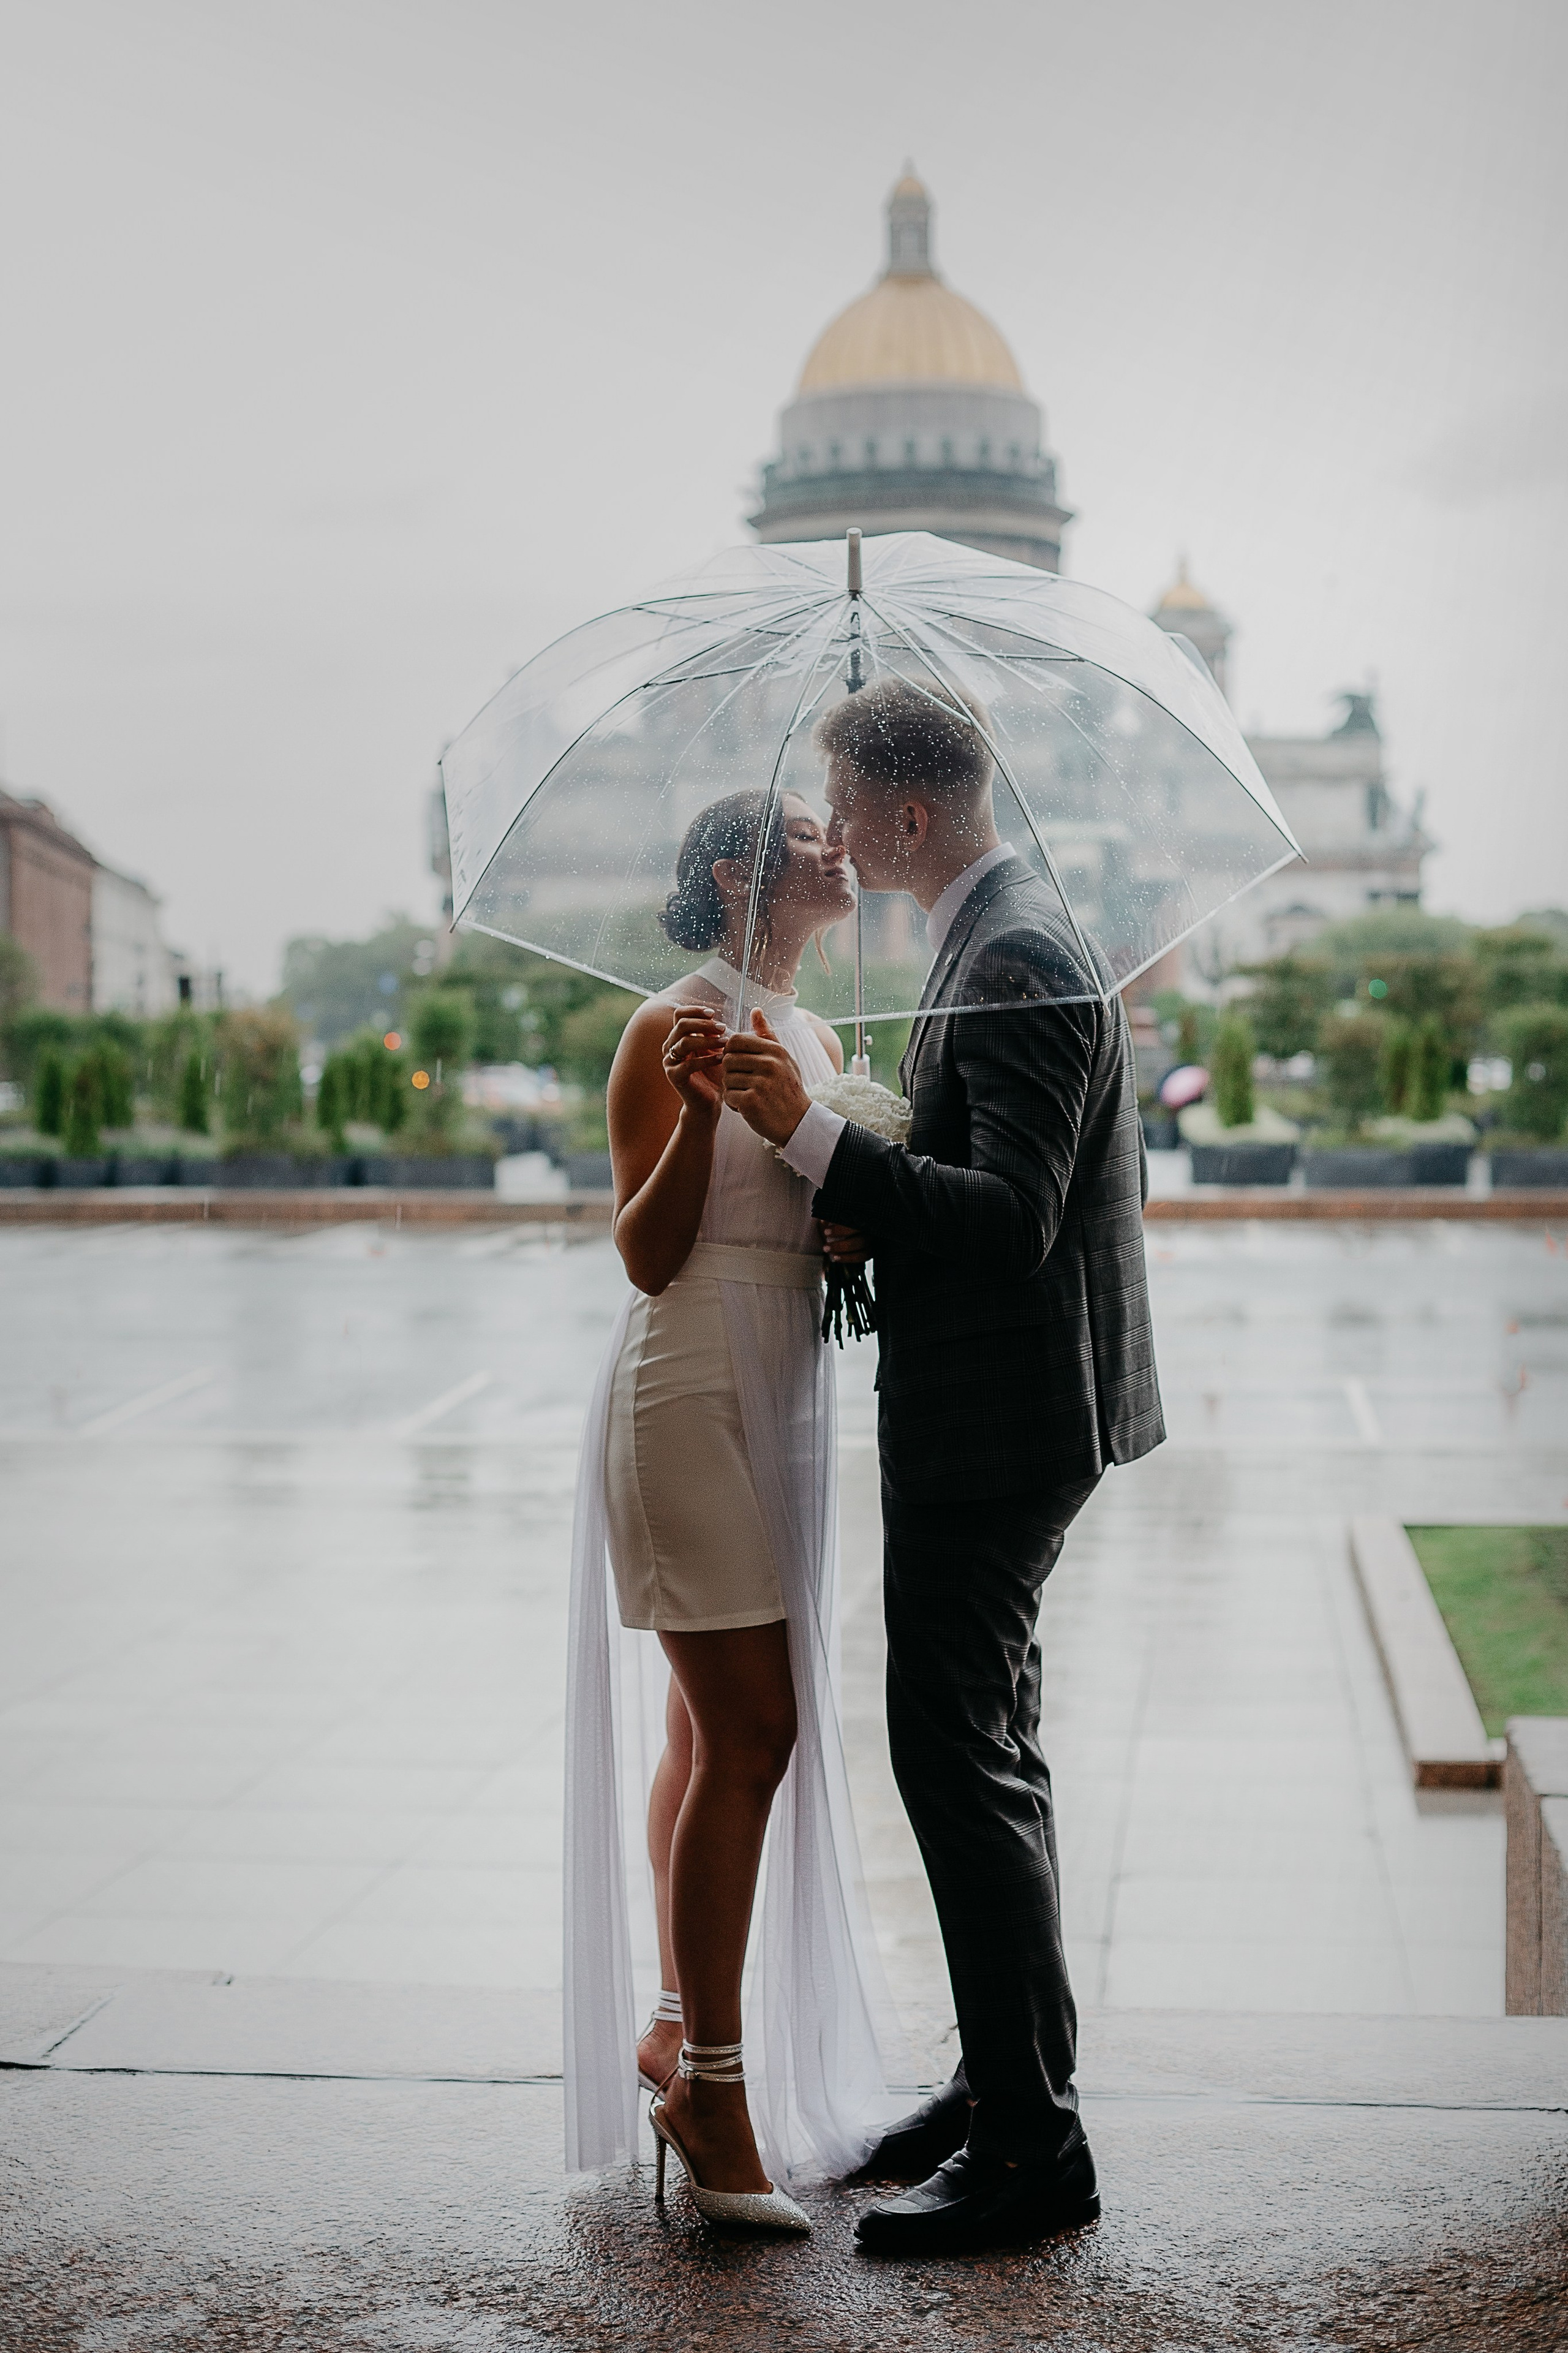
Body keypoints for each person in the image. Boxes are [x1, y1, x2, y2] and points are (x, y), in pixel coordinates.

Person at [722, 676, 1164, 2257]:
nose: (836, 838)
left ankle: (1037, 2150)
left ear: (910, 814)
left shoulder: (1023, 950)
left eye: (847, 809)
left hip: (1005, 1420)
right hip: (1013, 1401)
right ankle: (1000, 2087)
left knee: (956, 1761)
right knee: (991, 1753)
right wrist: (870, 1198)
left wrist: (817, 1141)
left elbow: (1007, 1219)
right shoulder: (999, 929)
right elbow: (973, 1185)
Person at [562, 785, 890, 2233]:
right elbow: (641, 1253)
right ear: (727, 868)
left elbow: (810, 1216)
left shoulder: (818, 1036)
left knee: (708, 1729)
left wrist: (846, 1209)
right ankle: (711, 2079)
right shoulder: (668, 1023)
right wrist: (700, 1113)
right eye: (808, 835)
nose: (841, 850)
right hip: (687, 1381)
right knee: (754, 1730)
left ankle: (669, 2018)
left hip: (783, 1390)